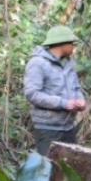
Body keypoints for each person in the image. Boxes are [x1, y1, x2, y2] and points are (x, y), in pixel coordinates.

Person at [24, 25, 85, 156]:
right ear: (62, 43)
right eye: (72, 43)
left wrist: (80, 100)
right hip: (48, 129)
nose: (73, 47)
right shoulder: (37, 63)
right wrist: (63, 103)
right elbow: (32, 94)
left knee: (69, 171)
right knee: (49, 171)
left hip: (68, 127)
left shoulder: (68, 63)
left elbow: (76, 87)